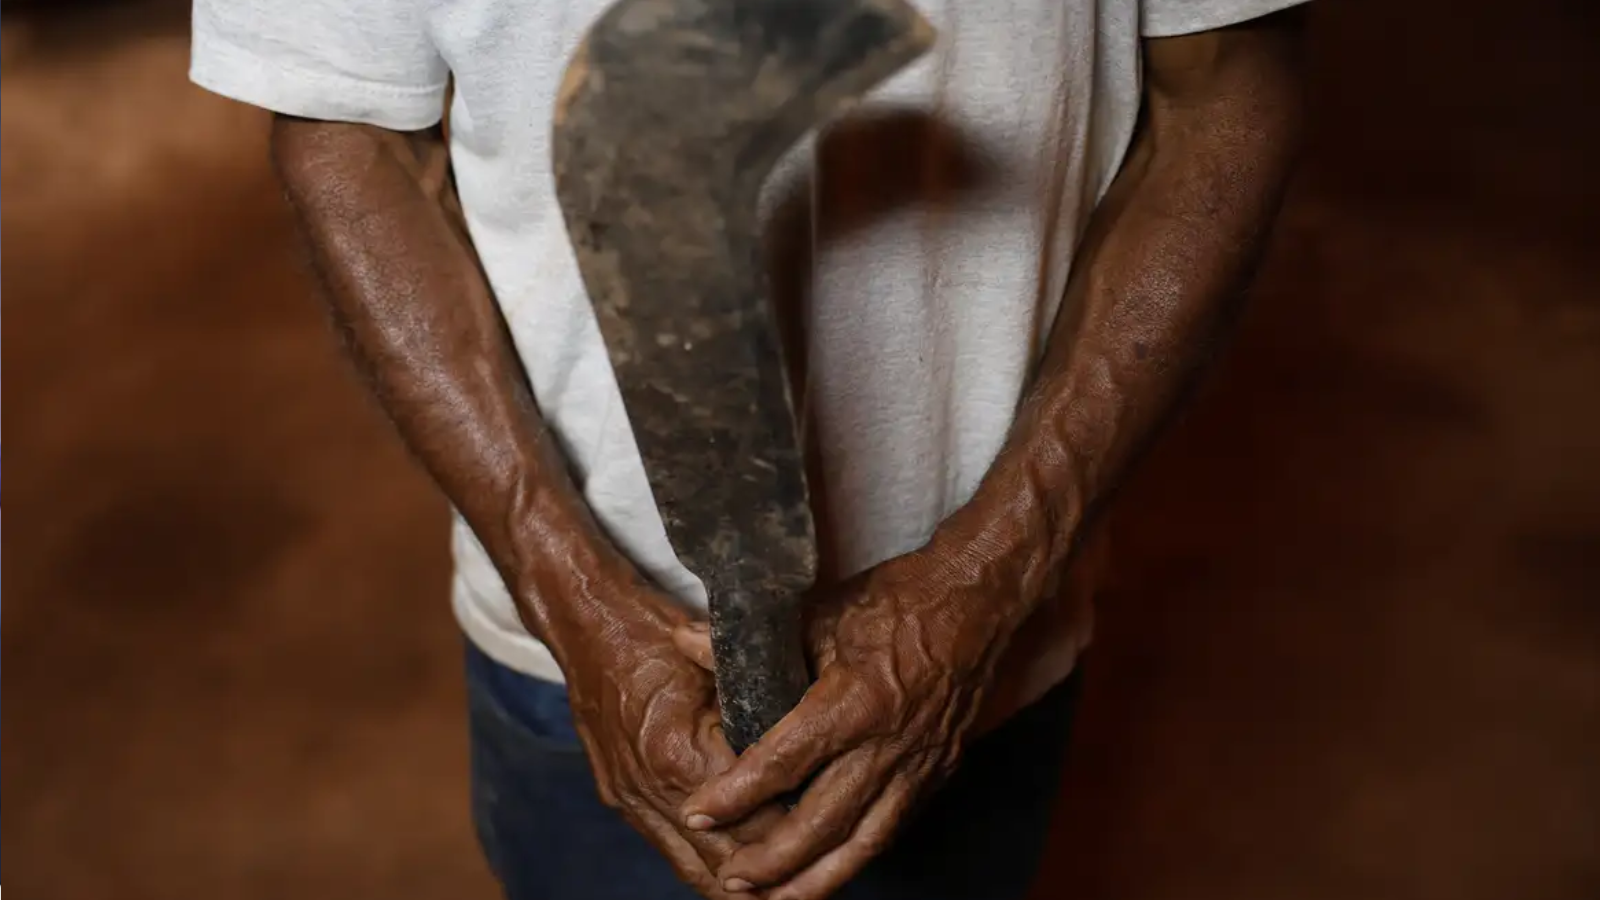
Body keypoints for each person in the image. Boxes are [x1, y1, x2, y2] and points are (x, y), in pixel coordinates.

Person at [189, 0, 1309, 897]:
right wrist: (562, 586)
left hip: (986, 646)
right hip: (585, 661)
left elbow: (1221, 86)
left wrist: (996, 566)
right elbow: (345, 130)